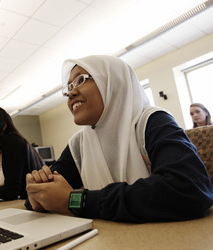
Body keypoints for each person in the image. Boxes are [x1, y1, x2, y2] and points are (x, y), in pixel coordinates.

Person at [25, 55, 213, 223]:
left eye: (81, 80)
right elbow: (47, 193)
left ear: (112, 83)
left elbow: (190, 189)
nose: (71, 93)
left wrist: (75, 201)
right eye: (69, 87)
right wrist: (36, 194)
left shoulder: (152, 122)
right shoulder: (80, 143)